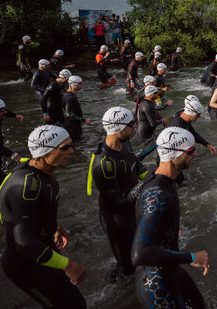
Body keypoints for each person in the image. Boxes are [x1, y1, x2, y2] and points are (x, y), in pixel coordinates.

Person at [0, 125, 87, 309]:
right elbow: (22, 241)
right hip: (25, 263)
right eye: (65, 147)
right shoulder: (25, 185)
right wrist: (67, 264)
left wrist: (54, 226)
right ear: (44, 152)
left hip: (43, 249)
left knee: (76, 303)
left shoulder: (38, 172)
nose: (71, 150)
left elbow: (29, 211)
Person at [131, 127, 210, 309]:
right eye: (191, 151)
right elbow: (139, 254)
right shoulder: (158, 194)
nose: (196, 154)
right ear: (175, 154)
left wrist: (166, 223)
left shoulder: (157, 177)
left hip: (168, 269)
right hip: (155, 285)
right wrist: (191, 257)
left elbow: (132, 199)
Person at [89, 107, 148, 279]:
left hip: (132, 208)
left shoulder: (125, 142)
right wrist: (143, 185)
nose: (135, 127)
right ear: (119, 128)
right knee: (127, 269)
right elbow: (116, 205)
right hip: (117, 221)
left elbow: (135, 165)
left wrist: (151, 178)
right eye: (132, 124)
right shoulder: (104, 164)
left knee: (141, 254)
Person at [63, 76, 90, 142]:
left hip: (75, 125)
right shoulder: (69, 97)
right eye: (80, 83)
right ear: (74, 85)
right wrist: (83, 120)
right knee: (76, 144)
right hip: (71, 126)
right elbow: (68, 114)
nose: (82, 85)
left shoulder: (71, 95)